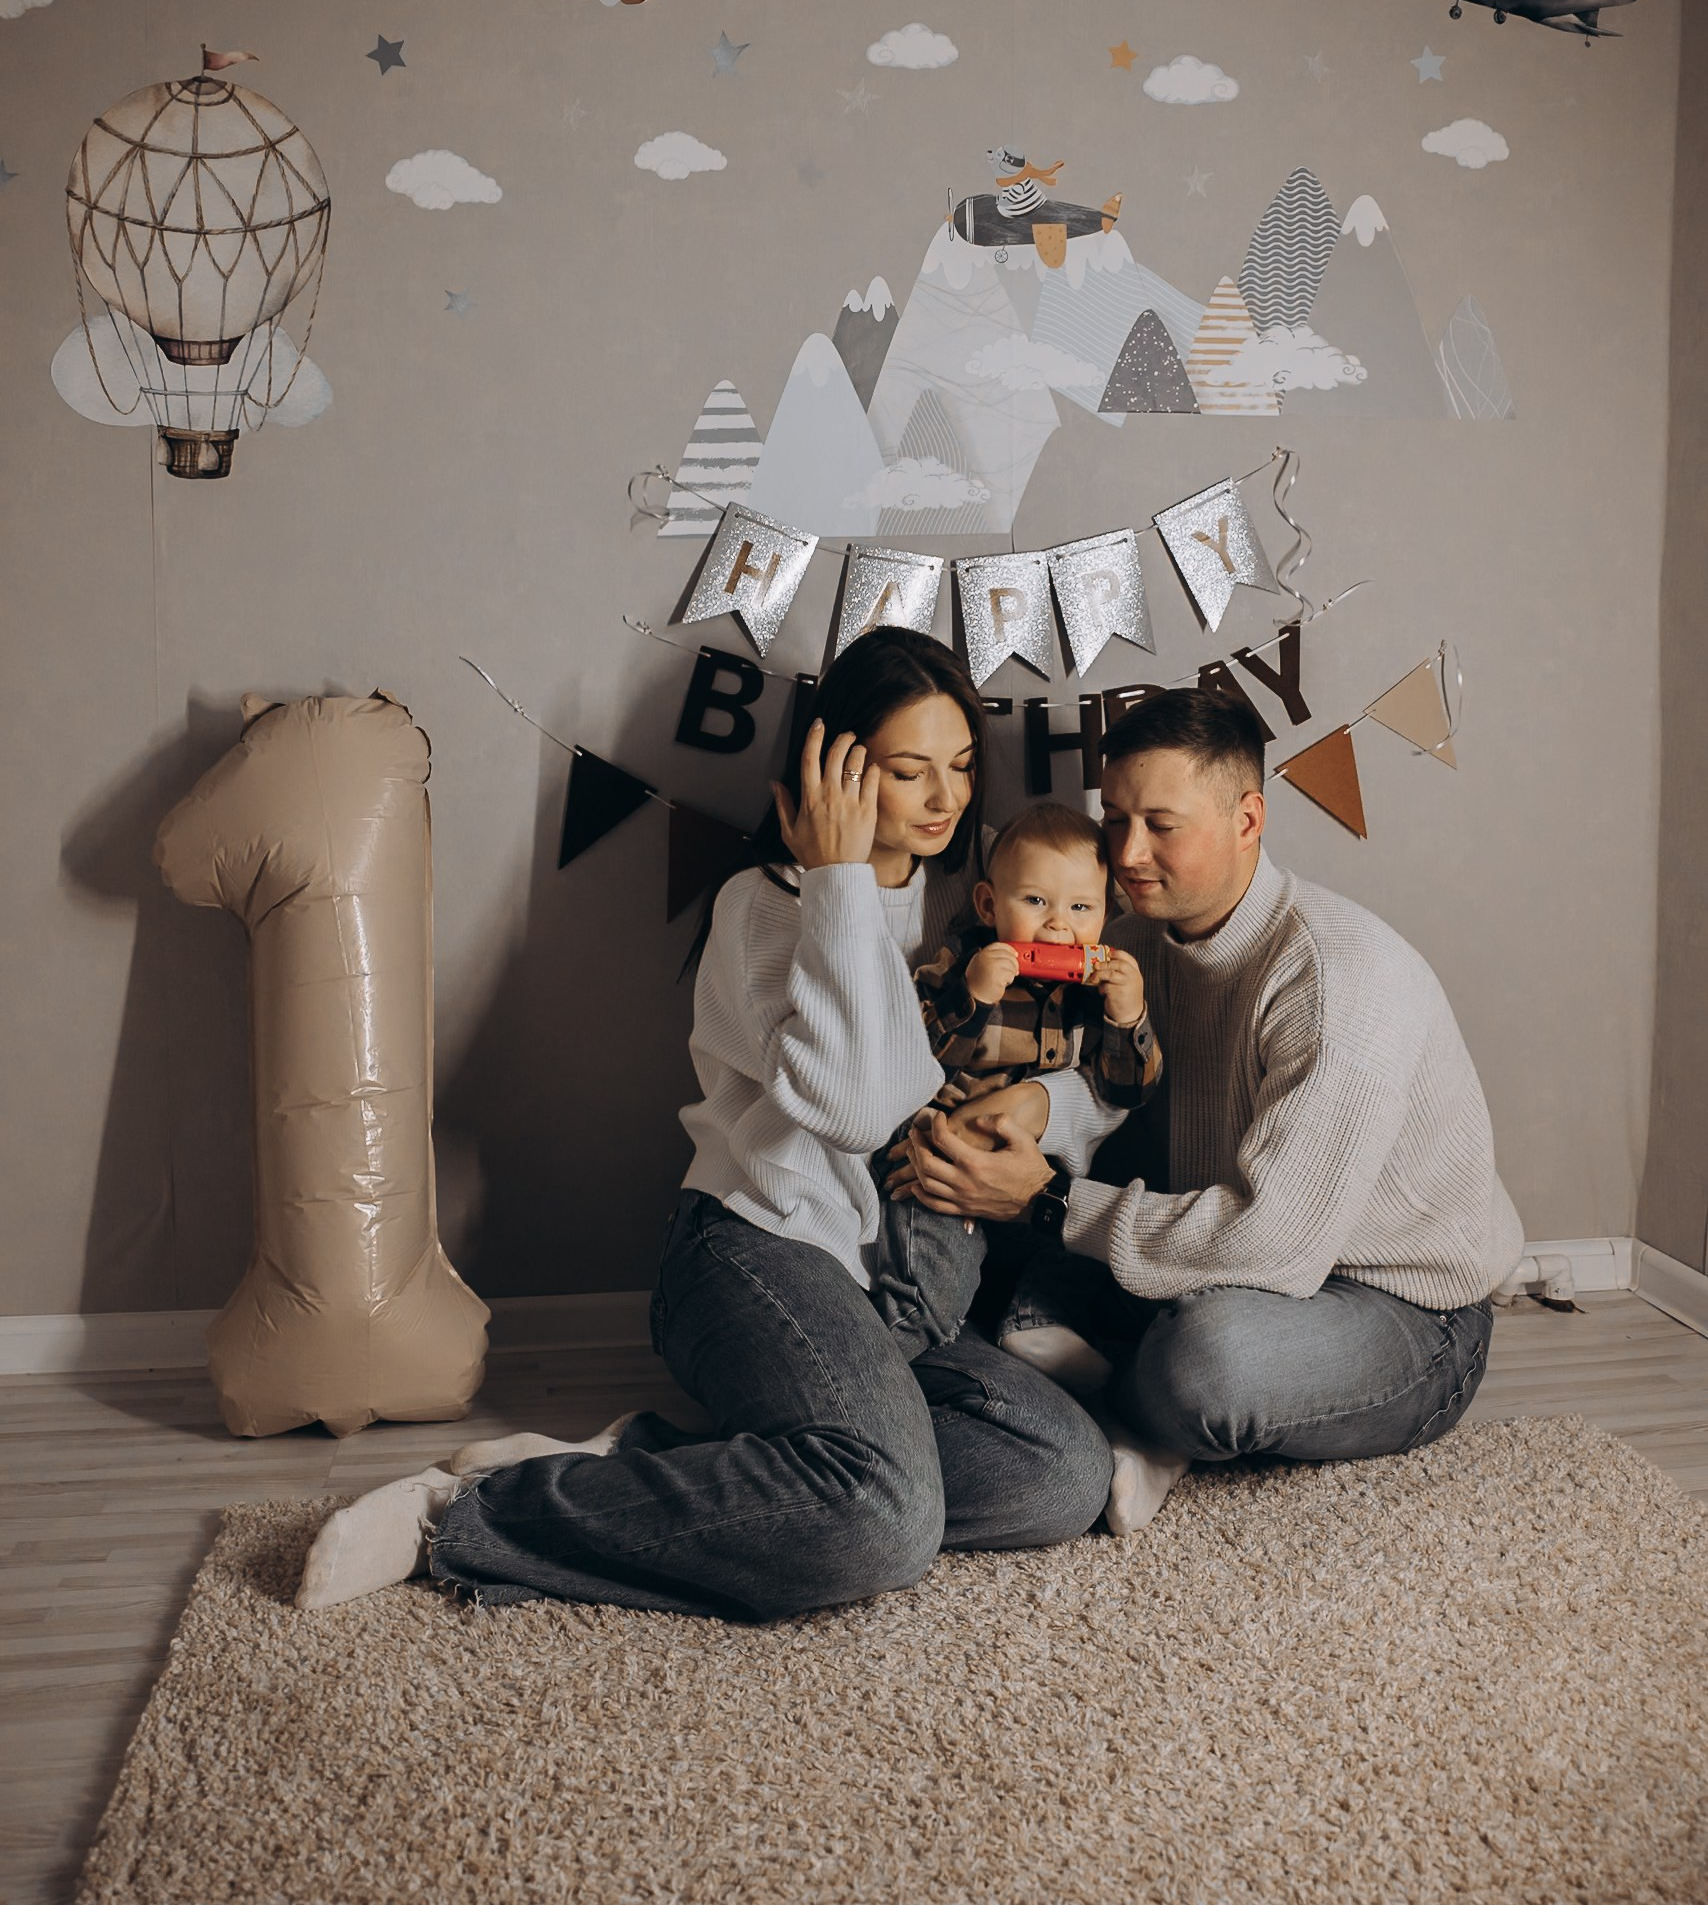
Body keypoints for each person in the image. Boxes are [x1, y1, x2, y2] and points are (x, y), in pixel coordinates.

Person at [295, 627, 1113, 1617]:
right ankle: (467, 1514)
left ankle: (673, 1461)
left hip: (890, 1282)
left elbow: (1068, 1069)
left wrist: (1041, 1102)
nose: (946, 798)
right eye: (911, 771)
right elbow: (861, 1108)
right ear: (836, 768)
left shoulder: (967, 915)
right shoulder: (761, 908)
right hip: (750, 1248)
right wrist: (839, 880)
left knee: (1061, 1474)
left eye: (962, 765)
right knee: (883, 1524)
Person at [900, 686, 1526, 1533]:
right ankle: (1080, 1387)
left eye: (1162, 825)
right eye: (1115, 819)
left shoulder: (1336, 980)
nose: (1127, 854)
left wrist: (1046, 1201)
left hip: (1398, 1306)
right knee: (971, 1233)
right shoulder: (1128, 945)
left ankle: (1127, 1414)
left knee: (1206, 1365)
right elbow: (1104, 1085)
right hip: (1219, 1250)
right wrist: (1031, 1110)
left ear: (1247, 819)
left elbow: (1277, 1245)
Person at [868, 800, 1159, 1376]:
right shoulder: (958, 967)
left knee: (1092, 1243)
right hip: (942, 1169)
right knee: (935, 1276)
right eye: (1035, 901)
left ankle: (1033, 1324)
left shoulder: (1095, 995)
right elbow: (909, 1065)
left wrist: (1129, 1018)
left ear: (1106, 915)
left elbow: (1125, 1094)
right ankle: (883, 1350)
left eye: (1081, 907)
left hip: (1034, 1186)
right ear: (989, 904)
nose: (1057, 925)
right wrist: (973, 997)